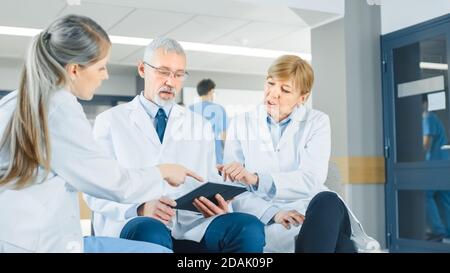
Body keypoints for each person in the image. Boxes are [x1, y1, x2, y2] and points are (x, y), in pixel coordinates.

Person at [0, 15, 201, 253]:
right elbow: (114, 184)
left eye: (179, 74)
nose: (105, 75)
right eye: (101, 67)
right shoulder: (60, 109)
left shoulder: (18, 99)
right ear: (74, 70)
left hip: (19, 237)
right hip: (40, 244)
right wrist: (163, 171)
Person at [84, 37, 265, 253]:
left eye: (179, 74)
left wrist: (219, 204)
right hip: (135, 220)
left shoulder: (199, 125)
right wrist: (139, 208)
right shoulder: (110, 121)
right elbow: (94, 190)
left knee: (247, 227)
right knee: (150, 230)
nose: (171, 82)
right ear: (143, 69)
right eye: (163, 71)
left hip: (191, 224)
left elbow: (207, 179)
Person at [197, 55, 379, 253]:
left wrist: (257, 179)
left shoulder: (317, 122)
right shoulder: (241, 124)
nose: (272, 95)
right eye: (270, 84)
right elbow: (235, 189)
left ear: (303, 97)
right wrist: (273, 213)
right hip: (266, 217)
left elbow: (312, 178)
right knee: (342, 246)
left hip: (313, 209)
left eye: (285, 90)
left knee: (328, 200)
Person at [422, 95, 450, 242]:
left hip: (434, 164)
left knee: (425, 195)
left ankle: (439, 231)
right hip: (445, 163)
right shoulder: (435, 118)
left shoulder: (428, 117)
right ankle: (447, 231)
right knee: (445, 198)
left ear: (424, 103)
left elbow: (426, 144)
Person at [189, 79, 228, 164]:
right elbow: (223, 135)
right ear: (211, 91)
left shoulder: (190, 109)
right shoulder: (219, 109)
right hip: (215, 155)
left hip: (194, 156)